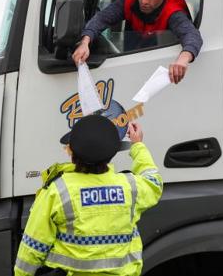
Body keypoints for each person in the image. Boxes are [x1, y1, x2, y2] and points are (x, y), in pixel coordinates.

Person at [14, 116, 163, 276]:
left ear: (71, 153)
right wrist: (138, 145)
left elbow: (32, 247)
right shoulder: (130, 187)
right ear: (112, 154)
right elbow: (153, 181)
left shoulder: (57, 191)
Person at [72, 0, 203, 84]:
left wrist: (183, 59)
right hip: (131, 61)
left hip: (162, 70)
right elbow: (102, 19)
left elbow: (191, 35)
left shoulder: (174, 10)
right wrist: (85, 42)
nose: (144, 0)